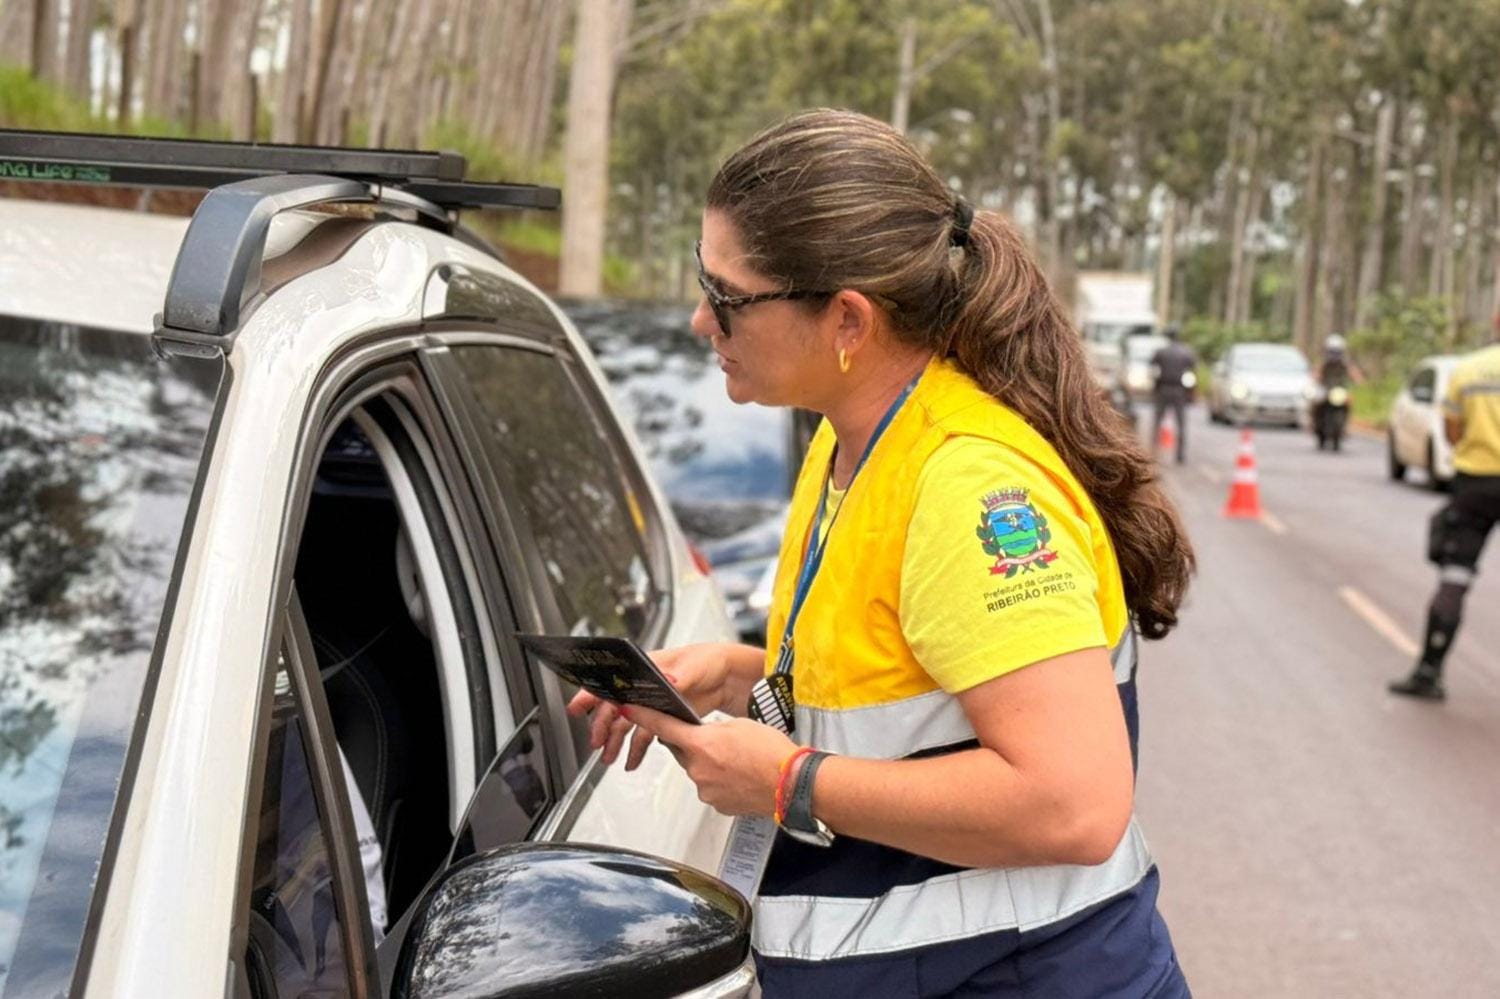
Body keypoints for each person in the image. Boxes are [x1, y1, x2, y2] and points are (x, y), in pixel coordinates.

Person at [569, 109, 1195, 997]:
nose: (702, 319)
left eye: (728, 297)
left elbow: (1075, 803)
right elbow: (912, 696)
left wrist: (789, 780)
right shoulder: (850, 437)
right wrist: (741, 676)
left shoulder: (967, 486)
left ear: (848, 321)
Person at [1389, 315, 1500, 701]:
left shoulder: (1469, 370)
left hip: (1476, 485)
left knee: (1455, 577)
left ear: (1496, 322)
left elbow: (1453, 431)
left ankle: (1429, 672)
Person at [1149, 325, 1197, 464]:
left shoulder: (1161, 352)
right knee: (1181, 423)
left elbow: (1153, 368)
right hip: (1179, 390)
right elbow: (1192, 371)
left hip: (1163, 388)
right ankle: (1180, 454)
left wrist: (1155, 386)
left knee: (1157, 421)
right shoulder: (1186, 352)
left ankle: (1154, 452)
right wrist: (1191, 390)